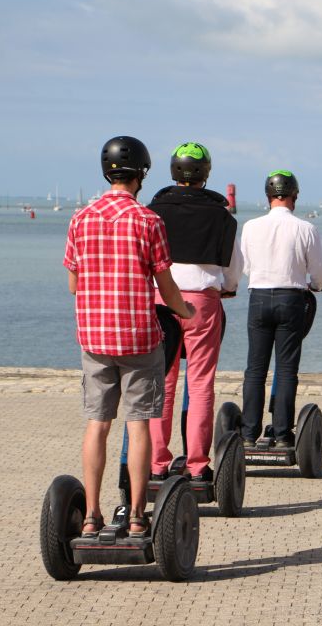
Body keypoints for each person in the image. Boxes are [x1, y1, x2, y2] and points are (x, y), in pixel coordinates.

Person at [63, 135, 194, 539]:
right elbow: (166, 285)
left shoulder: (80, 220)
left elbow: (73, 283)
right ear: (140, 174)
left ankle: (90, 515)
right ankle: (138, 516)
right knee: (138, 425)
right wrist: (184, 311)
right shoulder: (148, 221)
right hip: (138, 338)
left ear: (107, 173)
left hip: (95, 338)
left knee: (97, 424)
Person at [147, 142, 242, 483]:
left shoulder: (154, 210)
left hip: (159, 300)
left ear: (173, 171)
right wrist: (227, 287)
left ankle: (157, 463)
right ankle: (198, 466)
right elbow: (232, 266)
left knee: (163, 381)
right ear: (206, 174)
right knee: (200, 383)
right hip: (202, 302)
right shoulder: (222, 214)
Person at [239, 170, 322, 448]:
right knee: (286, 369)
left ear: (268, 197)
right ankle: (280, 434)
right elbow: (319, 271)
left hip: (259, 298)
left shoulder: (251, 227)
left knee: (255, 369)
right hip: (291, 299)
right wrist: (315, 284)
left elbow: (245, 267)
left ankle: (248, 434)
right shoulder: (305, 229)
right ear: (295, 196)